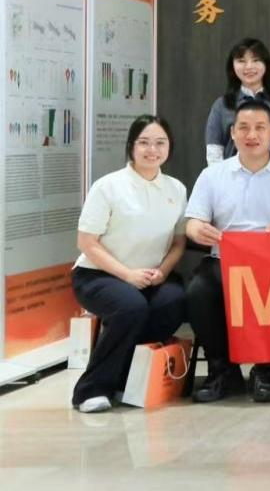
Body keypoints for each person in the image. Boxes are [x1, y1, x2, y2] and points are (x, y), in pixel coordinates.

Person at [184, 100, 270, 403]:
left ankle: (267, 370)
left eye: (260, 128)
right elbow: (193, 222)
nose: (252, 135)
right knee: (199, 291)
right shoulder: (213, 175)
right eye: (244, 128)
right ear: (232, 133)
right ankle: (222, 370)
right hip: (224, 260)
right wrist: (198, 230)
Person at [71, 115, 187, 413]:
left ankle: (129, 379)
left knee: (174, 302)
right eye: (144, 143)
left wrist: (163, 271)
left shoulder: (176, 188)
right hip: (99, 275)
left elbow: (178, 242)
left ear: (169, 147)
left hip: (151, 276)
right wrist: (127, 275)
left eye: (160, 143)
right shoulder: (108, 186)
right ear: (131, 146)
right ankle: (92, 389)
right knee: (131, 306)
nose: (152, 150)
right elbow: (87, 242)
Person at [204, 37, 270, 165]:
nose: (249, 67)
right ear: (232, 66)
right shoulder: (222, 105)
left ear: (266, 64)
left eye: (256, 60)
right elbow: (214, 152)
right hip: (234, 175)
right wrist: (221, 176)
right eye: (241, 61)